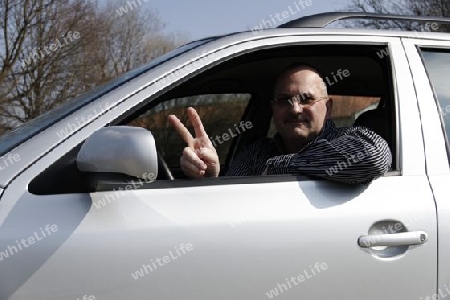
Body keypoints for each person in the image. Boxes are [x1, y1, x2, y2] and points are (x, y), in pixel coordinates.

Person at [167, 64, 392, 184]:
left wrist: (279, 166)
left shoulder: (349, 139)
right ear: (273, 109)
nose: (295, 109)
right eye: (285, 101)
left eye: (306, 99)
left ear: (328, 107)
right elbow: (229, 202)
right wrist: (211, 178)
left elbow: (374, 156)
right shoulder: (256, 154)